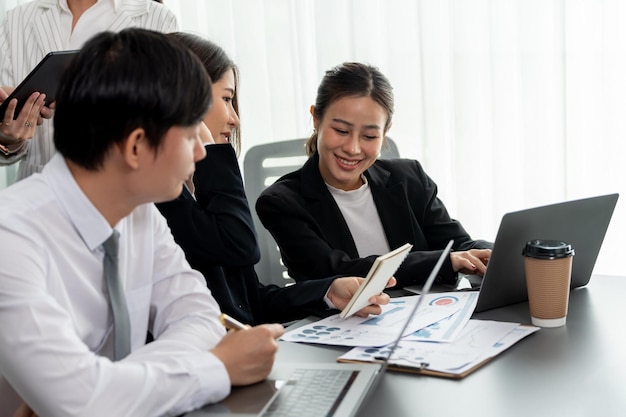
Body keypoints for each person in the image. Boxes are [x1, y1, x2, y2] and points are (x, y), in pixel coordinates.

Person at [0, 28, 284, 417]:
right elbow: (82, 403)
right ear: (136, 147)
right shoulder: (10, 237)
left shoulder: (141, 214)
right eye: (190, 137)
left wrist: (110, 386)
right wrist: (217, 367)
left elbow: (200, 317)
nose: (203, 152)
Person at [155, 33, 395, 325]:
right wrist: (214, 152)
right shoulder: (161, 196)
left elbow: (248, 300)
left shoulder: (194, 188)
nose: (235, 118)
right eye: (227, 99)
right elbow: (238, 245)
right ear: (187, 99)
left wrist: (328, 292)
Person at [256, 62, 493, 288]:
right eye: (341, 130)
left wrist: (496, 252)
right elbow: (335, 272)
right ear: (316, 118)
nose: (353, 148)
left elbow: (456, 245)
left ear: (385, 132)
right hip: (343, 325)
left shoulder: (410, 178)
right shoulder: (281, 203)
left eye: (369, 136)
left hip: (424, 318)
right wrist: (442, 261)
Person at [0, 0, 178, 181]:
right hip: (36, 192)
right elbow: (5, 134)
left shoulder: (158, 19)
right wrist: (9, 139)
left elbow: (169, 127)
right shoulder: (16, 20)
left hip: (121, 190)